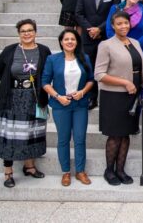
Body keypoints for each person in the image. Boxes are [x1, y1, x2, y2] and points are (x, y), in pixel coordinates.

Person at [0, 19, 51, 188]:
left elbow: (48, 72)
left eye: (30, 30)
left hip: (34, 97)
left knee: (31, 132)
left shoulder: (44, 51)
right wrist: (14, 84)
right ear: (19, 34)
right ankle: (8, 172)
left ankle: (29, 167)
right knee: (10, 134)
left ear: (36, 32)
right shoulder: (10, 50)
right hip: (12, 98)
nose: (27, 33)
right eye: (23, 31)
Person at [95, 11, 143, 186]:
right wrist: (124, 82)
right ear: (113, 26)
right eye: (119, 24)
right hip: (114, 95)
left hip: (133, 94)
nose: (123, 26)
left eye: (126, 23)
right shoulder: (106, 45)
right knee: (115, 135)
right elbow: (99, 74)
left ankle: (121, 170)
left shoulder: (135, 42)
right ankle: (109, 170)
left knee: (126, 133)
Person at [41, 29, 94, 186]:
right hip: (60, 105)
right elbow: (44, 82)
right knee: (63, 139)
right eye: (66, 39)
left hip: (80, 105)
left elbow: (91, 79)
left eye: (73, 39)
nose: (70, 41)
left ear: (77, 42)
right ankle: (65, 172)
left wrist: (83, 92)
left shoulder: (84, 58)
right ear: (61, 42)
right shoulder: (52, 59)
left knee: (79, 138)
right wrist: (58, 96)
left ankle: (80, 171)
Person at [74, 0, 121, 110]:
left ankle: (108, 98)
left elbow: (113, 15)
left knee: (108, 68)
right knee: (89, 67)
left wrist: (99, 29)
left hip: (105, 37)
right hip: (88, 38)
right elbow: (78, 14)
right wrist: (90, 29)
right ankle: (91, 97)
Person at [105, 0, 143, 65]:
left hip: (140, 50)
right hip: (118, 50)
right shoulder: (115, 9)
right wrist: (121, 46)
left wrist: (132, 47)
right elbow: (109, 30)